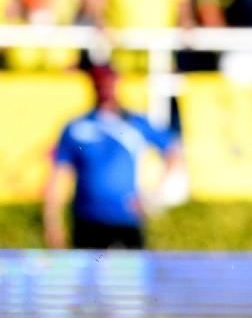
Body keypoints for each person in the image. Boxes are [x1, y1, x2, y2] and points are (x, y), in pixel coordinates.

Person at [43, 66, 184, 250]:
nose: (105, 88)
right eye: (100, 83)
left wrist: (153, 197)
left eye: (109, 83)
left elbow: (173, 150)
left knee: (128, 276)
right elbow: (59, 173)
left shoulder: (135, 123)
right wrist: (52, 221)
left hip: (126, 220)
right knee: (89, 277)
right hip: (87, 219)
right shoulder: (77, 127)